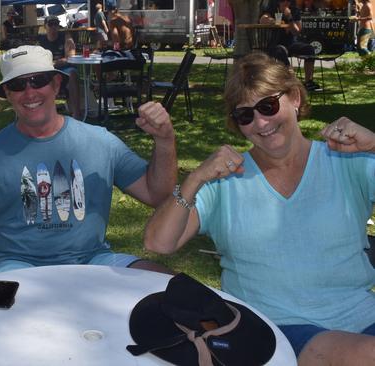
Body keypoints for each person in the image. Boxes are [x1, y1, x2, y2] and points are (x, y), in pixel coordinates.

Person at [142, 52, 375, 366]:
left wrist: (374, 145)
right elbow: (159, 242)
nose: (261, 122)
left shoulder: (347, 160)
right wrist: (195, 178)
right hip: (276, 330)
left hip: (362, 318)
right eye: (246, 116)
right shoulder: (225, 180)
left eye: (268, 106)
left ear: (294, 98)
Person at [0, 45, 176, 276]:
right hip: (17, 266)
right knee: (21, 316)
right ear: (7, 93)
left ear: (56, 84)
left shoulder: (100, 142)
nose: (30, 93)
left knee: (171, 287)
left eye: (39, 80)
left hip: (93, 260)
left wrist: (165, 141)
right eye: (17, 85)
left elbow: (157, 195)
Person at [259, 0, 321, 92]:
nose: (286, 3)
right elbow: (262, 20)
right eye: (283, 1)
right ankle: (292, 80)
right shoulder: (272, 8)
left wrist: (289, 18)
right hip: (274, 43)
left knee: (309, 49)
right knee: (280, 50)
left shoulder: (294, 10)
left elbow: (297, 31)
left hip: (290, 43)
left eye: (288, 1)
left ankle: (308, 81)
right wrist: (271, 20)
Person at [37, 15, 81, 119]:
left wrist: (54, 63)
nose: (53, 27)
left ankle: (76, 114)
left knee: (72, 74)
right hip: (47, 69)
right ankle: (41, 114)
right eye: (50, 24)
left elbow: (70, 58)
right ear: (45, 26)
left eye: (55, 24)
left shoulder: (66, 37)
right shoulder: (40, 40)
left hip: (64, 68)